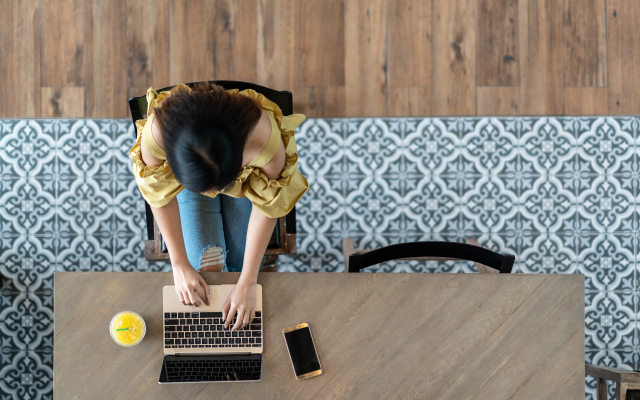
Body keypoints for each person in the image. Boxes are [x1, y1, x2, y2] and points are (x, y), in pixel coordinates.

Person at [129, 81, 308, 333]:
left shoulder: (263, 142)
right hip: (189, 182)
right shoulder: (159, 132)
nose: (211, 195)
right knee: (209, 268)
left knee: (237, 269)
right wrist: (179, 263)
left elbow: (267, 205)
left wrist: (248, 280)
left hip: (246, 184)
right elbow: (159, 195)